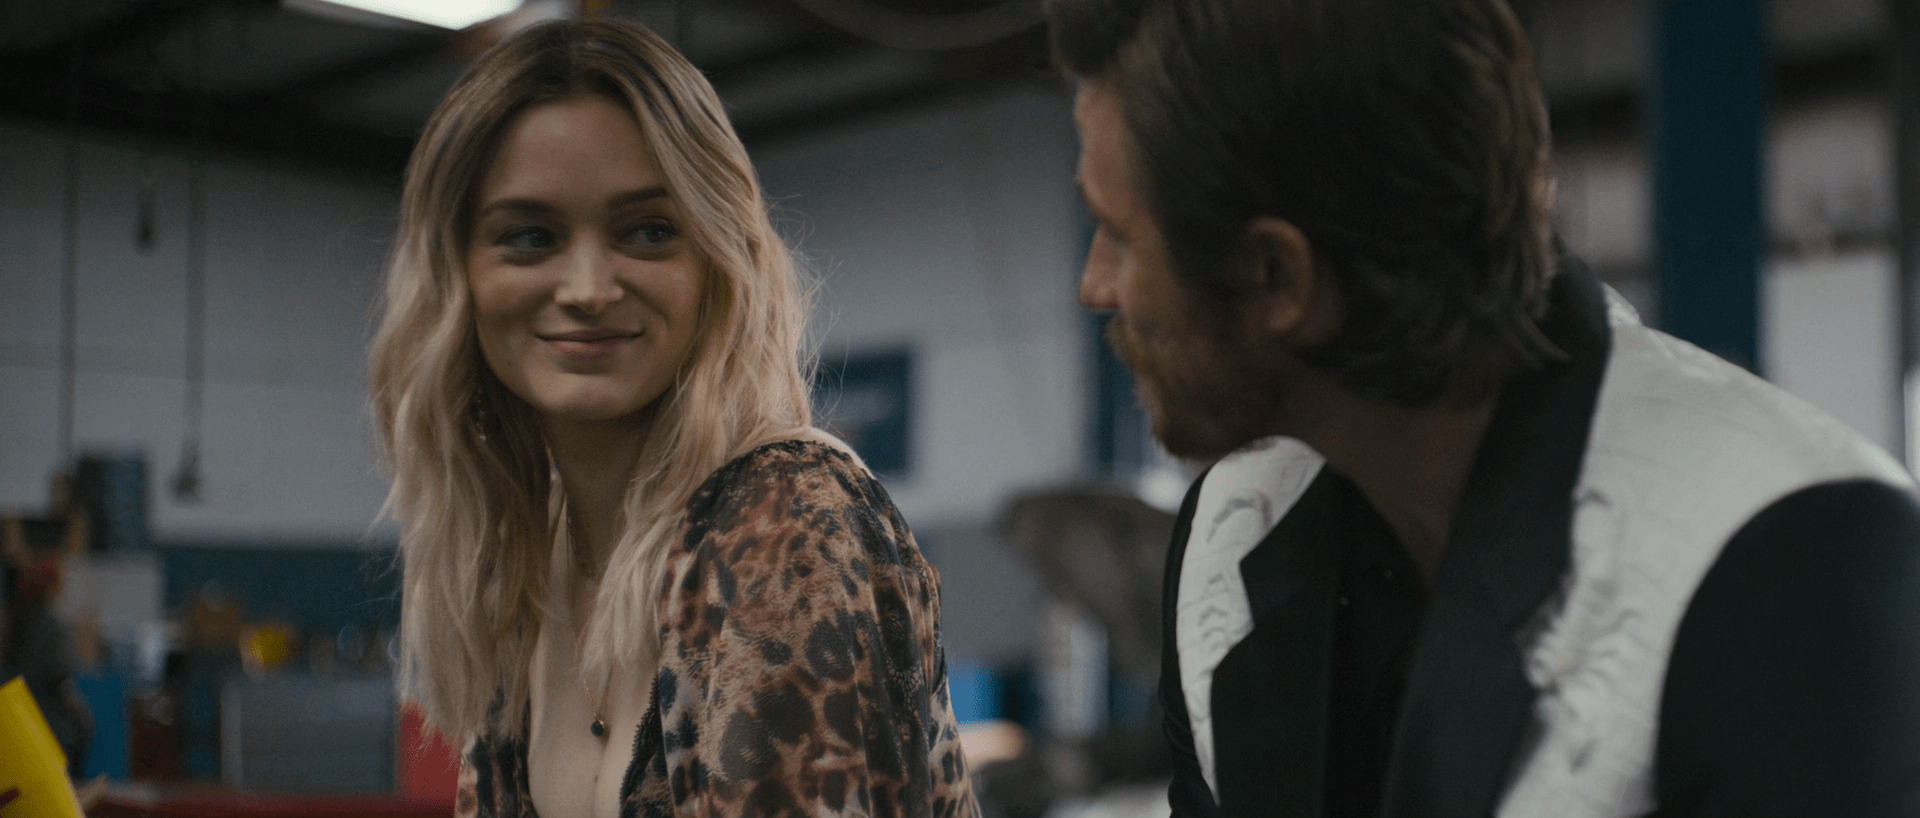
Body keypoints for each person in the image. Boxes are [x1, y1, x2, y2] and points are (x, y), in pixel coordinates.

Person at [1048, 0, 1920, 815]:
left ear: (1279, 279)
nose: (1096, 286)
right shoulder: (1230, 537)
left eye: (1118, 234)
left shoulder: (1794, 568)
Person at [368, 18, 976, 817]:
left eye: (649, 231)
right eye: (531, 237)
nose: (588, 288)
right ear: (456, 276)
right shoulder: (519, 561)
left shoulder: (785, 521)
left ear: (717, 257)